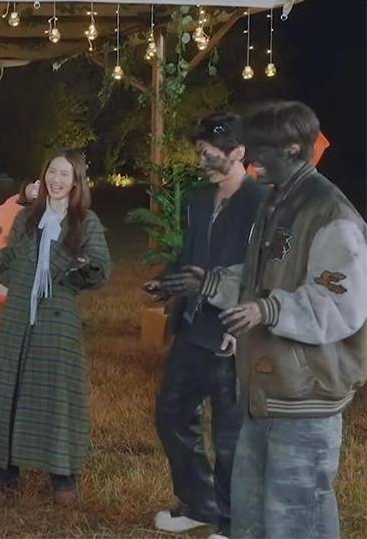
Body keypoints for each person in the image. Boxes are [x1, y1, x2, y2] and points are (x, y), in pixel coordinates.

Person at [219, 101, 367, 539]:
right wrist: (210, 284)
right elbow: (261, 280)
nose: (251, 158)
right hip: (266, 392)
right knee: (251, 515)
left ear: (294, 148)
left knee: (297, 519)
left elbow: (340, 303)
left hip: (306, 401)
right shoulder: (278, 203)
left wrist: (269, 310)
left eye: (261, 148)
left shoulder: (330, 214)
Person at [142, 113, 269, 539]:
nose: (202, 162)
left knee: (230, 436)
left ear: (238, 153)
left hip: (234, 334)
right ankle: (200, 503)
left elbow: (263, 273)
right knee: (173, 414)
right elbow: (190, 256)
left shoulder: (262, 203)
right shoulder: (199, 199)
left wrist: (240, 325)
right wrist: (167, 284)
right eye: (200, 153)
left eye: (210, 155)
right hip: (193, 327)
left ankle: (233, 524)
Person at [0, 149, 111, 505]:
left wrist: (85, 266)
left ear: (76, 181)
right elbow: (11, 263)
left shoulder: (85, 222)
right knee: (9, 389)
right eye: (52, 172)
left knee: (55, 395)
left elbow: (100, 266)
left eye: (65, 174)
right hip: (19, 314)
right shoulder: (28, 218)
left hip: (57, 317)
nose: (56, 180)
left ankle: (63, 477)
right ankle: (4, 470)